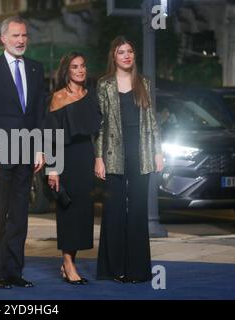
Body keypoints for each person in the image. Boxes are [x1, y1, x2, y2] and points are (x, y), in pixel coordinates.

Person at [0, 16, 46, 289]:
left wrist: (40, 148)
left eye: (24, 35)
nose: (21, 40)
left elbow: (40, 113)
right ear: (3, 39)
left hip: (27, 154)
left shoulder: (37, 69)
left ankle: (15, 271)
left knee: (19, 216)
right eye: (15, 36)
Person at [94, 36, 164, 283]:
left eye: (130, 51)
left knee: (137, 211)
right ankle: (113, 269)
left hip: (141, 152)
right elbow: (100, 125)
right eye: (121, 51)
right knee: (113, 211)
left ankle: (138, 270)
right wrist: (99, 157)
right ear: (113, 56)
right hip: (113, 152)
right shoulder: (104, 85)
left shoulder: (143, 82)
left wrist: (157, 152)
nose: (126, 55)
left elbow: (152, 122)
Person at [46, 52, 101, 285]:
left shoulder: (91, 96)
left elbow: (97, 132)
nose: (80, 70)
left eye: (83, 66)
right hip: (65, 159)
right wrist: (53, 168)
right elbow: (51, 137)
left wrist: (99, 159)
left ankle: (69, 261)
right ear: (66, 71)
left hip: (85, 158)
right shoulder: (58, 97)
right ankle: (68, 263)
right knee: (67, 210)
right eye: (75, 67)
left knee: (82, 212)